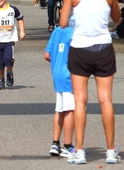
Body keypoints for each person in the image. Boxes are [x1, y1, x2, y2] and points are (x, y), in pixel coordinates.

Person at [59, 0, 121, 164]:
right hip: (103, 47)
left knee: (80, 100)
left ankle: (80, 150)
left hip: (80, 48)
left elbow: (63, 22)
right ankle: (111, 150)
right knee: (106, 99)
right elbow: (116, 17)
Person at [44, 24, 75, 158]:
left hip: (57, 74)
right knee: (69, 110)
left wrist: (57, 60)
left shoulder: (56, 31)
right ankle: (68, 145)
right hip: (70, 75)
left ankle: (55, 143)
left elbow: (47, 55)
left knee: (60, 109)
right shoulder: (75, 32)